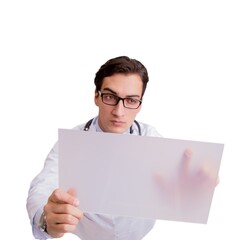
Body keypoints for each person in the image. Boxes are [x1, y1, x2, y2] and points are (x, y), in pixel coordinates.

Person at [26, 56, 162, 240]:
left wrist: (196, 187)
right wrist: (45, 220)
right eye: (110, 97)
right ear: (96, 97)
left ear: (140, 104)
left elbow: (175, 176)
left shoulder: (150, 138)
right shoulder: (73, 141)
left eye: (131, 100)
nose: (119, 112)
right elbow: (42, 187)